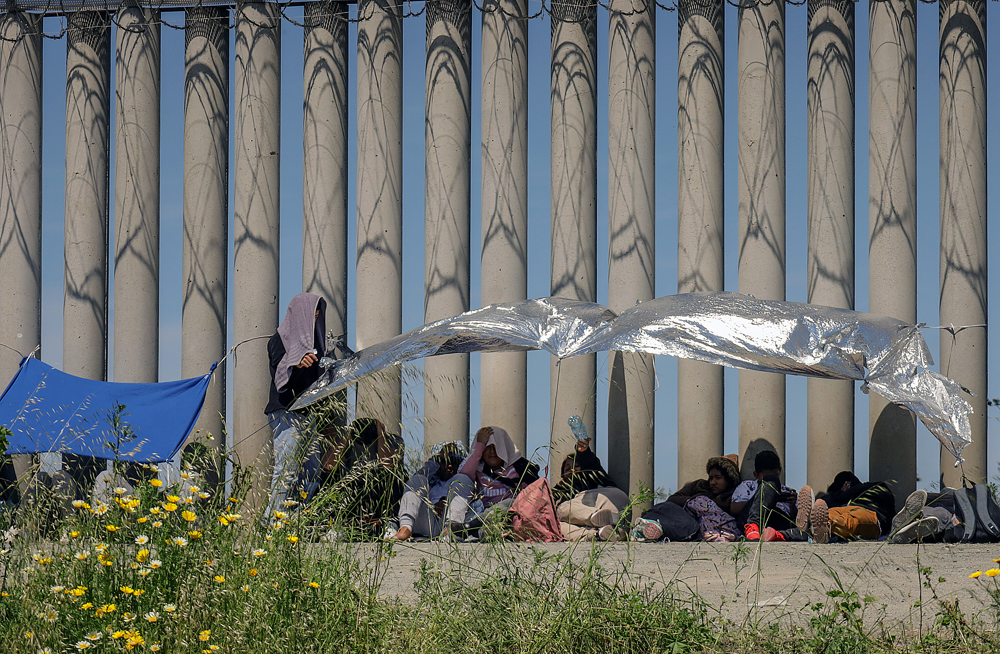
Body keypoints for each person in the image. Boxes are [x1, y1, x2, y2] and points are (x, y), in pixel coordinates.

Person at [266, 293, 327, 512]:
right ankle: (272, 522)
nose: (315, 319)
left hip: (306, 414)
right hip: (285, 412)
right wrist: (297, 361)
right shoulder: (280, 339)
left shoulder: (317, 346)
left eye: (318, 314)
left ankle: (293, 519)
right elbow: (279, 366)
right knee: (286, 470)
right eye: (312, 314)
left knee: (312, 472)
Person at [445, 426, 538, 540]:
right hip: (484, 514)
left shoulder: (519, 467)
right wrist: (479, 445)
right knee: (461, 480)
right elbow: (463, 474)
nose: (492, 452)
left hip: (509, 515)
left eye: (497, 447)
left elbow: (532, 495)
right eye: (488, 447)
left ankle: (473, 528)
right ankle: (467, 532)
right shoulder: (480, 468)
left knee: (509, 502)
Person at [321, 417, 405, 536]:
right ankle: (337, 524)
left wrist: (380, 434)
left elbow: (387, 463)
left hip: (381, 488)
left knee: (396, 476)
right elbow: (328, 465)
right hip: (356, 488)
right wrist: (348, 436)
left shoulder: (393, 440)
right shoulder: (350, 442)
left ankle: (391, 522)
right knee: (330, 476)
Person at [631, 454, 740, 542]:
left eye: (718, 478)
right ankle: (648, 525)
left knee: (684, 526)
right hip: (682, 515)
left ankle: (653, 529)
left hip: (693, 527)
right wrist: (693, 502)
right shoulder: (700, 485)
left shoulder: (732, 496)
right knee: (664, 507)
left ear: (728, 479)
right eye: (711, 478)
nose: (713, 482)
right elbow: (673, 498)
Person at [552, 438, 628, 542]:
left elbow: (589, 462)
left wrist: (583, 452)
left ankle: (595, 516)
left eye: (576, 466)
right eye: (567, 468)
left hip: (608, 500)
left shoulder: (592, 474)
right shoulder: (563, 489)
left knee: (561, 509)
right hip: (615, 521)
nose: (572, 470)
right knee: (558, 526)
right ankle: (597, 535)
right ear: (562, 476)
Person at [390, 441, 466, 541]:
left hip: (449, 524)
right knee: (418, 478)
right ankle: (405, 527)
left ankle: (452, 531)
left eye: (454, 462)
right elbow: (418, 477)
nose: (450, 465)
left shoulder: (462, 481)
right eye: (445, 461)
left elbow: (470, 471)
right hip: (427, 522)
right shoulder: (430, 481)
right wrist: (439, 457)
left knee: (463, 479)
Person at [798, 471, 896, 543]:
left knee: (850, 521)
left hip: (873, 515)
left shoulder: (873, 487)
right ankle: (813, 524)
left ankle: (819, 527)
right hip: (848, 508)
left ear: (846, 484)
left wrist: (832, 497)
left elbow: (842, 496)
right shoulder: (848, 499)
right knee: (830, 513)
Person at [730, 450, 806, 542]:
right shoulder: (747, 486)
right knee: (771, 482)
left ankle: (776, 535)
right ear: (756, 475)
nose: (773, 479)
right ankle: (753, 526)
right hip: (750, 518)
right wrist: (763, 497)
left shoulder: (787, 490)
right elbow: (734, 509)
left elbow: (795, 520)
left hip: (777, 522)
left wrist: (792, 506)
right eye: (765, 476)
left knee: (805, 532)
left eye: (776, 475)